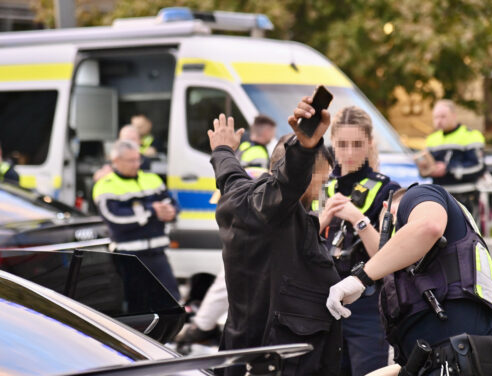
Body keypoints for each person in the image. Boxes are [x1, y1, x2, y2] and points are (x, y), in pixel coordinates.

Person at [208, 96, 342, 376]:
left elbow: (229, 174)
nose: (322, 190)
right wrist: (305, 146)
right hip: (277, 362)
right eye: (322, 179)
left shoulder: (242, 195)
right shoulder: (273, 206)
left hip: (245, 353)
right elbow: (290, 179)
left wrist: (223, 149)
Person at [326, 184, 492, 375]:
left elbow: (428, 227)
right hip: (460, 361)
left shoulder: (418, 194)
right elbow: (428, 356)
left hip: (462, 360)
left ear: (386, 208)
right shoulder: (409, 268)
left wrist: (360, 278)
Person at [318, 106, 400, 375]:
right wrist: (323, 219)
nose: (350, 153)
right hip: (325, 300)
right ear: (333, 145)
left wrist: (358, 219)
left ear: (369, 144)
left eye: (357, 144)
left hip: (366, 303)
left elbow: (387, 254)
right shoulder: (322, 186)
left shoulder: (386, 189)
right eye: (342, 144)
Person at [92, 139, 180, 300]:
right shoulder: (105, 186)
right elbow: (116, 219)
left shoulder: (152, 179)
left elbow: (171, 203)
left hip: (158, 255)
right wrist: (152, 211)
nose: (136, 164)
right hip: (129, 258)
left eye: (138, 159)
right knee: (138, 307)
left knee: (172, 301)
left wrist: (170, 211)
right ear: (116, 161)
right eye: (131, 160)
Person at [425, 99, 485, 219]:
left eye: (443, 116)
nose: (439, 121)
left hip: (465, 197)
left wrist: (449, 169)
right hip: (439, 197)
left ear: (454, 116)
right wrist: (426, 170)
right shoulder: (432, 139)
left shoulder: (471, 136)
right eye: (436, 117)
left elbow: (479, 167)